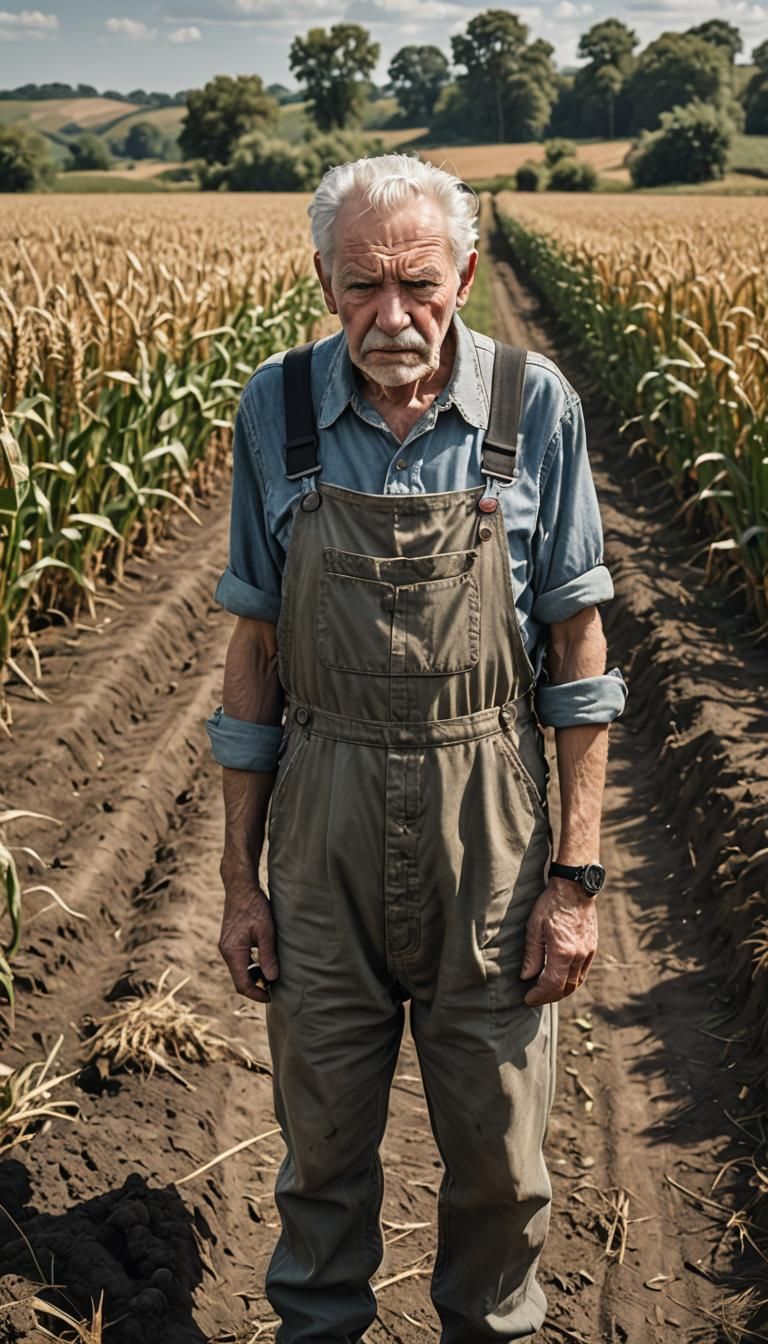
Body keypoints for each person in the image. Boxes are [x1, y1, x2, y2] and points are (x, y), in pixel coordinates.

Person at [205, 153, 628, 1343]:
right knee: (320, 1151)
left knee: (501, 1163)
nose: (392, 317)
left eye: (420, 285)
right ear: (322, 281)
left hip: (486, 823)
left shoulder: (531, 406)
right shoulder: (275, 410)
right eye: (360, 287)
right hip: (322, 819)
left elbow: (580, 652)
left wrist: (576, 881)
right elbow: (252, 656)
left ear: (468, 273)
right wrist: (242, 882)